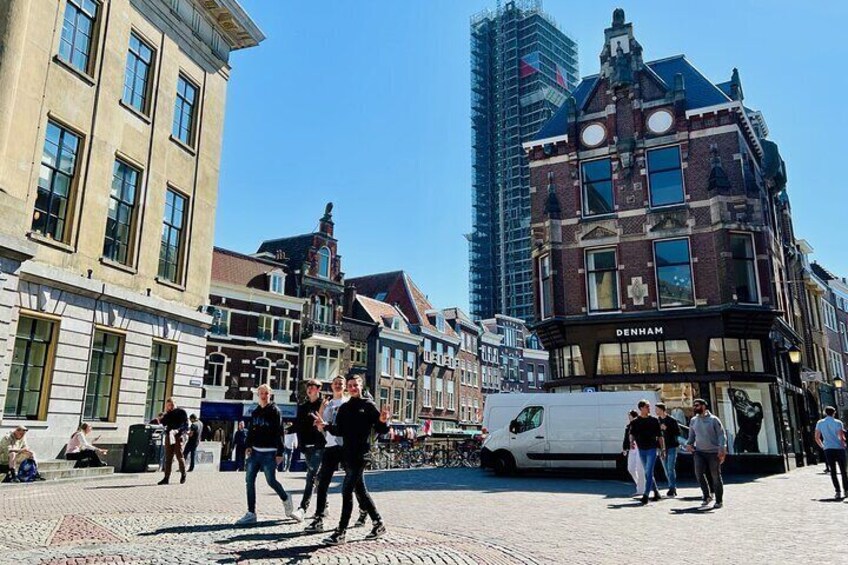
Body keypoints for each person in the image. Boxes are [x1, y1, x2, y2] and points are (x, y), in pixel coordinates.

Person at [313, 375, 390, 545]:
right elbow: (339, 430)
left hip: (360, 455)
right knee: (361, 490)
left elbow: (380, 428)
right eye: (350, 385)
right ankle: (378, 523)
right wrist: (324, 426)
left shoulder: (368, 406)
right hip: (347, 454)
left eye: (356, 385)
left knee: (346, 490)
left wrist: (384, 421)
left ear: (361, 386)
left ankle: (341, 532)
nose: (353, 388)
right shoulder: (345, 408)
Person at [305, 375, 368, 533]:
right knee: (322, 481)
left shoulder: (349, 403)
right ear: (332, 386)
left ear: (345, 386)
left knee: (356, 484)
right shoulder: (328, 404)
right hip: (331, 446)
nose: (338, 385)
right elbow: (321, 426)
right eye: (335, 383)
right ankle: (319, 518)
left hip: (347, 448)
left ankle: (364, 511)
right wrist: (321, 414)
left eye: (341, 383)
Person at [235, 383, 300, 525]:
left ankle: (285, 498)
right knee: (249, 481)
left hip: (269, 453)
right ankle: (251, 513)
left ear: (270, 395)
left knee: (271, 481)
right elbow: (252, 430)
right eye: (261, 394)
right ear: (258, 395)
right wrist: (248, 446)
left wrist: (280, 452)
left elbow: (279, 432)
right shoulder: (255, 412)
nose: (264, 396)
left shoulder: (275, 411)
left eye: (266, 394)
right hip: (255, 452)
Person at [289, 378, 327, 521]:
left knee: (310, 476)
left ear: (318, 389)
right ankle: (326, 504)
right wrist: (286, 430)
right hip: (306, 446)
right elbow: (298, 425)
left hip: (319, 445)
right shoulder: (303, 406)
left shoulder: (323, 404)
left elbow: (326, 422)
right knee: (316, 477)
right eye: (308, 386)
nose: (310, 389)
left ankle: (302, 509)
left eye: (313, 386)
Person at [686, 398, 727, 509]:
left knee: (715, 476)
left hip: (713, 453)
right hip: (699, 452)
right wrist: (689, 444)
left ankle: (719, 500)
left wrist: (722, 449)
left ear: (704, 406)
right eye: (694, 405)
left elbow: (721, 435)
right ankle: (706, 496)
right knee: (698, 474)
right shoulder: (694, 420)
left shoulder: (714, 420)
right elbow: (691, 436)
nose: (695, 407)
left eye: (697, 405)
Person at [629, 399, 664, 505]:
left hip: (652, 448)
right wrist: (631, 442)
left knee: (648, 472)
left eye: (649, 406)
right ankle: (656, 492)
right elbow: (632, 433)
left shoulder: (654, 420)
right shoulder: (635, 422)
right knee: (647, 472)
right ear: (641, 408)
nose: (649, 408)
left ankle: (646, 495)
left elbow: (660, 436)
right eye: (647, 407)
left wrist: (663, 449)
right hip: (641, 449)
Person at [814, 406, 847, 499]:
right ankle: (846, 490)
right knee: (843, 470)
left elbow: (817, 437)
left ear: (825, 412)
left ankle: (838, 491)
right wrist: (844, 443)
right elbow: (841, 437)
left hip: (828, 448)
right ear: (834, 412)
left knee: (833, 470)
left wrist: (823, 446)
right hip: (839, 448)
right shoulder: (838, 422)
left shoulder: (820, 423)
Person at [158, 398, 188, 485]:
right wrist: (165, 414)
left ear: (175, 404)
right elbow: (163, 423)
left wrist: (178, 431)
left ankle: (183, 473)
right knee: (168, 458)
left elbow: (185, 425)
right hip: (169, 436)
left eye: (171, 405)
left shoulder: (181, 412)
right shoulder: (168, 414)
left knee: (179, 455)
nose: (170, 407)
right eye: (168, 405)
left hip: (178, 436)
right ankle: (166, 478)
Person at [655, 402, 681, 497]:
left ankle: (672, 488)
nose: (656, 411)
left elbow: (678, 432)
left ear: (662, 409)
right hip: (661, 448)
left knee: (670, 468)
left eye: (657, 409)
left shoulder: (671, 420)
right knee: (666, 469)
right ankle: (671, 486)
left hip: (671, 447)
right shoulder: (656, 421)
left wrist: (667, 428)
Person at [621, 410, 645, 496]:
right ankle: (639, 484)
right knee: (630, 468)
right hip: (631, 449)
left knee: (639, 468)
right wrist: (624, 448)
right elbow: (626, 438)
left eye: (630, 416)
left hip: (640, 448)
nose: (629, 418)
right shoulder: (628, 426)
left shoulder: (639, 424)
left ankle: (640, 489)